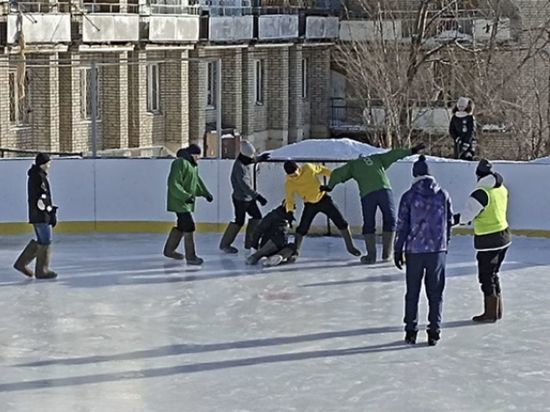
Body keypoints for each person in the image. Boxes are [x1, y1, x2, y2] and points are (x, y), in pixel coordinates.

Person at [324, 143, 425, 264]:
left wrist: (329, 187)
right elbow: (393, 155)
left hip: (367, 195)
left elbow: (337, 173)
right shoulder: (376, 158)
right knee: (390, 219)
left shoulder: (353, 165)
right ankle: (387, 254)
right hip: (384, 190)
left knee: (369, 223)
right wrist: (411, 150)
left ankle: (371, 256)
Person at [394, 155, 453, 346]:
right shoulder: (442, 194)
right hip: (437, 250)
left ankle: (411, 331)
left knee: (412, 292)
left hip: (414, 251)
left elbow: (402, 225)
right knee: (436, 292)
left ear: (414, 175)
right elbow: (449, 222)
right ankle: (434, 331)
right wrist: (445, 244)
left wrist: (397, 249)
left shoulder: (408, 196)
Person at [454, 159, 511, 322]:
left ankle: (490, 313)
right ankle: (497, 311)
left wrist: (450, 220)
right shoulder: (501, 188)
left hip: (489, 240)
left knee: (486, 276)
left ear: (478, 175)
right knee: (494, 274)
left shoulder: (481, 193)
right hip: (504, 235)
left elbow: (465, 217)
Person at [284, 160, 360, 260]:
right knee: (302, 228)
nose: (295, 176)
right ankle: (295, 252)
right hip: (309, 204)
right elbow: (289, 198)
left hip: (324, 200)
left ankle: (350, 247)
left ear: (298, 168)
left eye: (296, 172)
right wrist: (289, 212)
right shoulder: (289, 183)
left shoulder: (308, 168)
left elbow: (322, 170)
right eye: (292, 175)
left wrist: (334, 178)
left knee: (341, 222)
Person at [163, 144, 213, 265]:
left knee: (182, 226)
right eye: (197, 155)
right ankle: (191, 257)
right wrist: (185, 196)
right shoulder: (179, 163)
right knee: (189, 226)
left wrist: (206, 193)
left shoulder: (192, 166)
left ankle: (169, 251)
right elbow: (173, 183)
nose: (198, 158)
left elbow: (196, 183)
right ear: (191, 154)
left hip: (186, 202)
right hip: (179, 201)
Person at [219, 140, 270, 255]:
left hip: (248, 198)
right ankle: (225, 244)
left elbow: (250, 161)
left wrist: (259, 159)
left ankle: (250, 243)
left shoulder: (243, 161)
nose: (251, 159)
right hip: (240, 199)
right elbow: (245, 186)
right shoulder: (239, 168)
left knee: (257, 217)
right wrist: (258, 197)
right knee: (239, 221)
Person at [13, 153, 58, 279]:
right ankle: (42, 270)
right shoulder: (38, 177)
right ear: (43, 164)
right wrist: (50, 212)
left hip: (37, 214)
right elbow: (42, 198)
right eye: (48, 163)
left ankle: (21, 264)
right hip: (40, 215)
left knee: (42, 240)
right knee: (46, 241)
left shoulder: (36, 175)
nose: (49, 165)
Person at [246, 202, 296, 267]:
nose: (294, 209)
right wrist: (254, 247)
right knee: (278, 238)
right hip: (269, 243)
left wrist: (290, 255)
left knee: (293, 246)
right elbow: (259, 230)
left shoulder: (288, 217)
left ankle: (277, 257)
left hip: (280, 245)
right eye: (292, 207)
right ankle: (255, 256)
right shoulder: (273, 215)